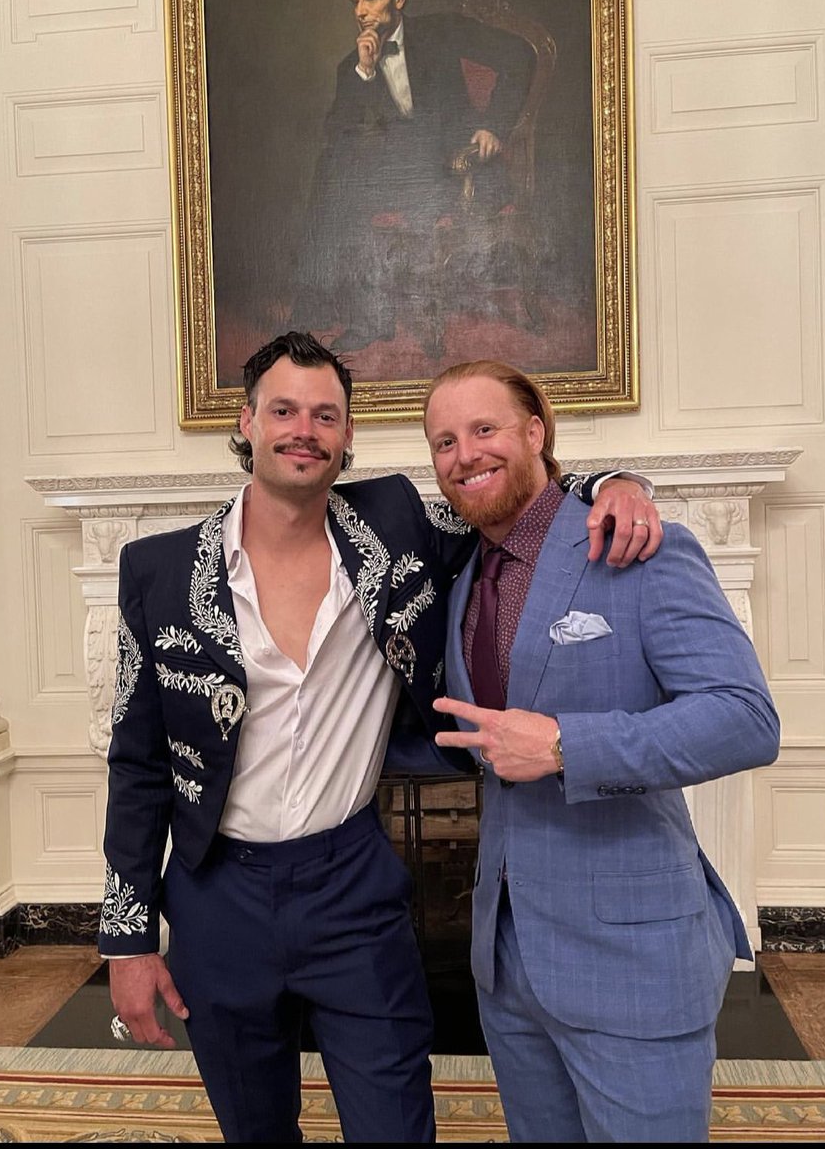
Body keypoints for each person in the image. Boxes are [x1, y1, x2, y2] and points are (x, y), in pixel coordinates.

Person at [99, 332, 662, 1144]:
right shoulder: (156, 572)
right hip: (217, 896)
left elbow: (511, 502)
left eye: (325, 415)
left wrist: (615, 483)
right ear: (247, 422)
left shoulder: (394, 523)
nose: (305, 430)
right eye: (284, 411)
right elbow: (136, 764)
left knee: (396, 1123)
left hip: (352, 887)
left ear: (348, 434)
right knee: (254, 1129)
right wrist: (125, 941)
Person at [423, 360, 781, 1144]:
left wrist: (565, 745)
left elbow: (746, 718)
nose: (464, 454)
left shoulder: (641, 548)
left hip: (633, 960)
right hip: (507, 963)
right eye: (444, 441)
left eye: (484, 429)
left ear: (535, 432)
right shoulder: (459, 573)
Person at [294, 0, 535, 351]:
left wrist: (493, 124)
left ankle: (329, 309)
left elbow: (520, 55)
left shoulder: (443, 31)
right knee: (333, 169)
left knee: (338, 175)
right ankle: (362, 317)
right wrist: (366, 73)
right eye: (355, 2)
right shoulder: (352, 67)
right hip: (400, 177)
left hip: (458, 170)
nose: (361, 11)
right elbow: (336, 136)